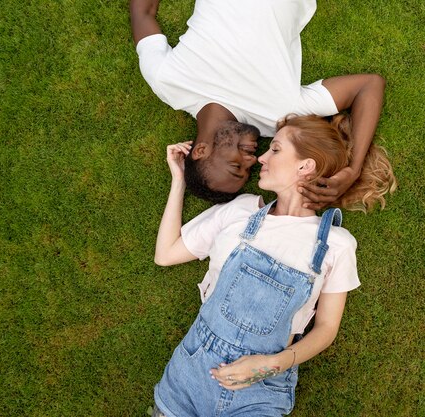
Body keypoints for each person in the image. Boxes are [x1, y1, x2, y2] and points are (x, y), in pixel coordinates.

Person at [152, 114, 396, 416]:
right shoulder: (240, 210)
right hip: (189, 375)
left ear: (305, 167)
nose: (262, 158)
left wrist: (271, 364)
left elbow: (326, 329)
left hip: (261, 390)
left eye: (276, 150)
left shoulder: (335, 244)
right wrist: (179, 179)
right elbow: (165, 254)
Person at [130, 0, 386, 206]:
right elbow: (369, 85)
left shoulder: (167, 83)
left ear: (200, 151)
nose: (251, 161)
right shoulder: (279, 117)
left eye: (235, 166)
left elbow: (143, 12)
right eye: (247, 170)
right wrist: (352, 170)